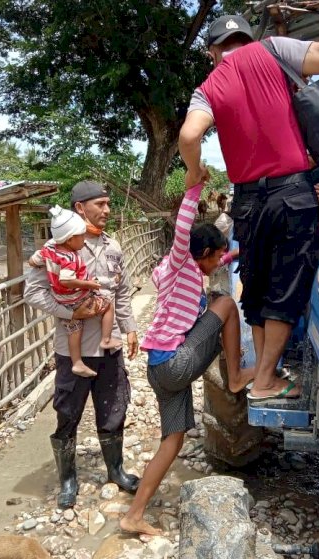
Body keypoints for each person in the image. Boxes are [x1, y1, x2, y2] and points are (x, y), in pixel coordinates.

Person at [179, 1, 319, 401]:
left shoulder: (207, 87)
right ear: (247, 39)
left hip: (248, 200)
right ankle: (267, 378)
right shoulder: (272, 49)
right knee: (285, 290)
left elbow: (189, 137)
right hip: (293, 191)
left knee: (255, 289)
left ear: (213, 50)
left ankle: (264, 374)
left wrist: (193, 170)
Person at [120, 181, 254, 536]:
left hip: (159, 370)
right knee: (224, 303)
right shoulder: (181, 262)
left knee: (173, 441)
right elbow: (184, 230)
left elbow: (213, 259)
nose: (216, 264)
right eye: (215, 257)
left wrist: (235, 255)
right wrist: (194, 183)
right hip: (174, 365)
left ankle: (134, 516)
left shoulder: (180, 270)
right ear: (202, 251)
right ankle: (237, 375)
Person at [24, 181, 141, 508]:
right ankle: (68, 479)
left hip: (110, 347)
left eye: (108, 204)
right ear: (80, 207)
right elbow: (31, 293)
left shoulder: (113, 246)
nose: (107, 210)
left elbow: (121, 291)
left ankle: (116, 470)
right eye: (100, 204)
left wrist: (129, 328)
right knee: (67, 414)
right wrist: (70, 310)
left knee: (115, 408)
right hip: (71, 350)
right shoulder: (54, 250)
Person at [28, 205, 120, 377]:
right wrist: (88, 285)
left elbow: (33, 260)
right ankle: (106, 340)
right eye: (80, 236)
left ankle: (77, 362)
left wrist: (35, 262)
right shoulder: (69, 257)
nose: (83, 240)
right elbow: (66, 280)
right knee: (107, 304)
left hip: (62, 300)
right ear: (70, 239)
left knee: (74, 329)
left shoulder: (49, 250)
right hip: (77, 298)